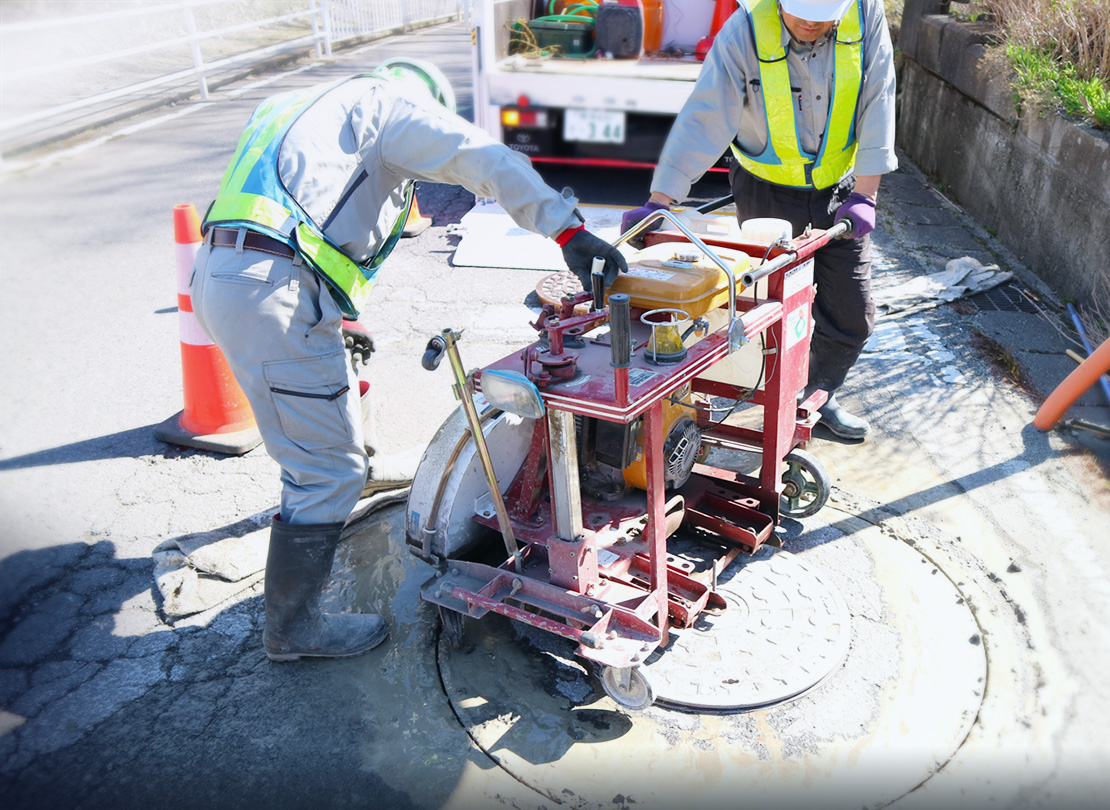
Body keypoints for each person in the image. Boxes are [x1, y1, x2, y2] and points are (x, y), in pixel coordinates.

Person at [189, 60, 626, 662]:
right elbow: (483, 158)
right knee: (321, 472)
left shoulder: (300, 108)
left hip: (231, 275)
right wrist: (568, 232)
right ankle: (292, 628)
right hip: (271, 291)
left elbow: (302, 207)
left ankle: (349, 471)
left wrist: (337, 310)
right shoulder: (388, 106)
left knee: (321, 397)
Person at [622, 0, 897, 439]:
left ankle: (815, 394)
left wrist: (867, 193)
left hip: (840, 191)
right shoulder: (745, 29)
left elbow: (878, 95)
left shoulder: (865, 16)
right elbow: (705, 117)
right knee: (772, 311)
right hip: (767, 192)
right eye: (801, 10)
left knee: (852, 315)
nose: (810, 21)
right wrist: (661, 200)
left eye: (823, 14)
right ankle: (773, 400)